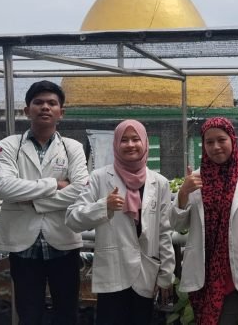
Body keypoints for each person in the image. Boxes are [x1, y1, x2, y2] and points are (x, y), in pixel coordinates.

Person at [0, 80, 89, 325]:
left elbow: (80, 190)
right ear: (27, 110)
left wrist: (33, 202)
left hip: (63, 241)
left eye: (52, 103)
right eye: (38, 102)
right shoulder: (9, 145)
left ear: (61, 112)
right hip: (23, 243)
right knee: (28, 314)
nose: (45, 107)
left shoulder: (73, 147)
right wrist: (54, 184)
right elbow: (5, 188)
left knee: (66, 313)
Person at [66, 119, 175, 325]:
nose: (130, 144)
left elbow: (164, 232)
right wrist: (103, 206)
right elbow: (73, 219)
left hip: (145, 272)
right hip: (113, 272)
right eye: (124, 140)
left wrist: (166, 274)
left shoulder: (159, 182)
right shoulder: (99, 177)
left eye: (135, 139)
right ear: (116, 144)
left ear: (145, 142)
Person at [171, 117, 238, 325]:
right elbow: (178, 225)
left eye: (221, 140)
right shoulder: (194, 181)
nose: (215, 147)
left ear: (233, 140)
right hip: (202, 275)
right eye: (209, 142)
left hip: (233, 275)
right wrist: (184, 193)